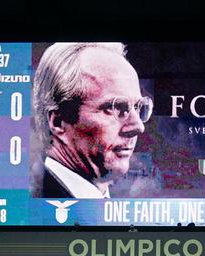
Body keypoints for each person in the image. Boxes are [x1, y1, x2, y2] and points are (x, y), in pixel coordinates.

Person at [32, 42, 152, 198]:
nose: (138, 126)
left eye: (137, 107)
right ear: (58, 122)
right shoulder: (28, 205)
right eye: (115, 108)